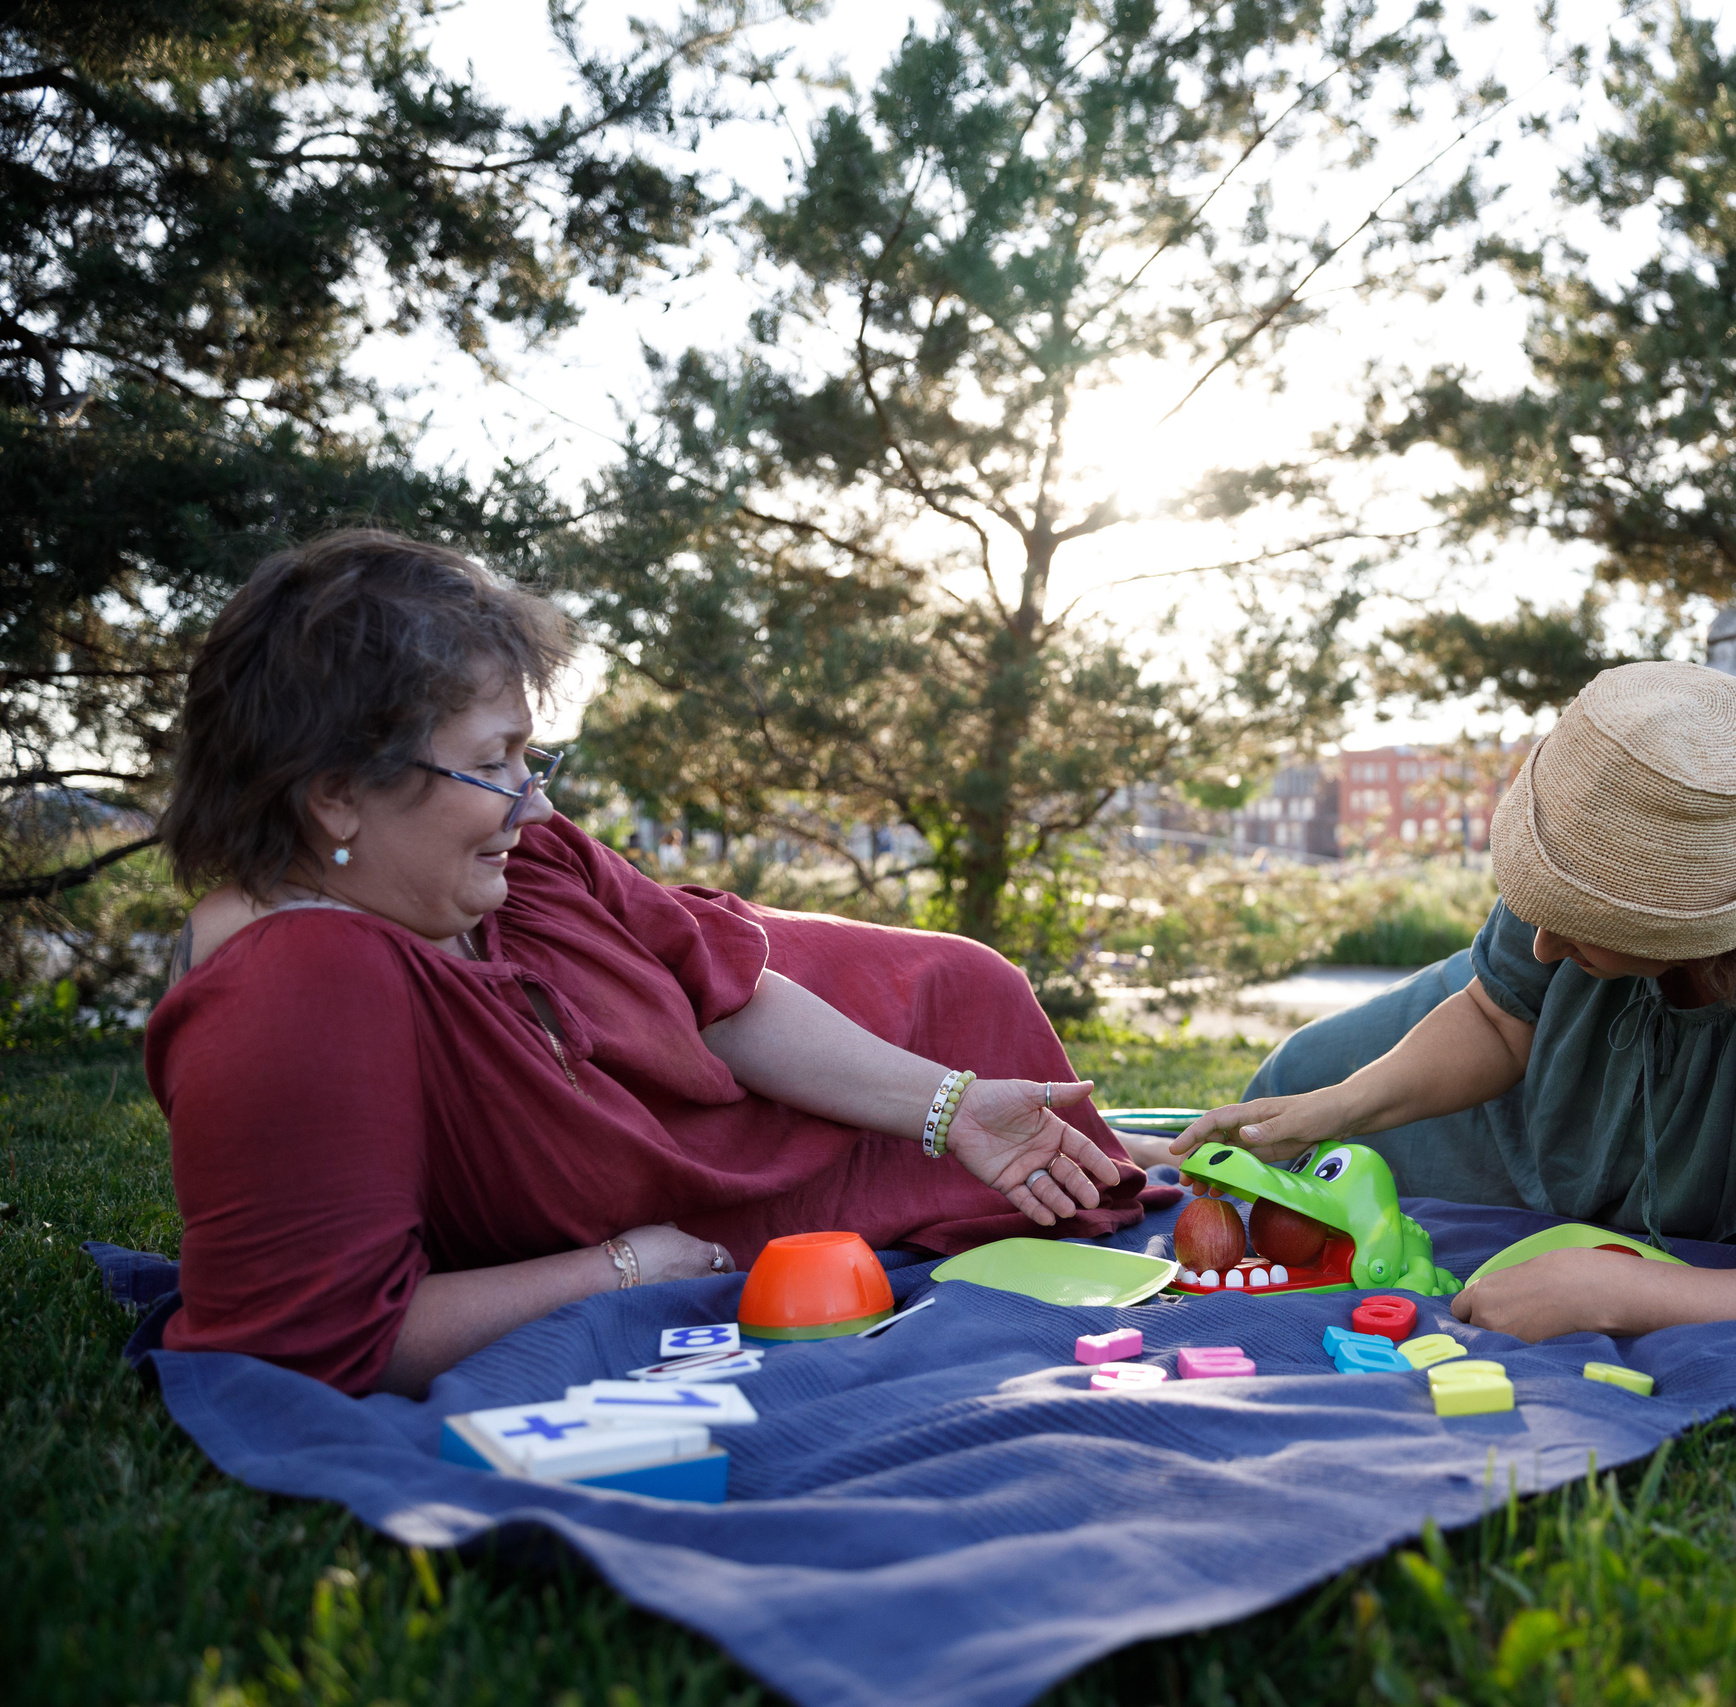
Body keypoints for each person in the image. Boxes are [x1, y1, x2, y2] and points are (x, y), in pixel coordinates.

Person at [148, 532, 1161, 1397]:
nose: (535, 802)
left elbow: (726, 996)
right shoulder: (293, 988)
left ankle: (1112, 1143)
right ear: (334, 794)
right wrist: (616, 1271)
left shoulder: (515, 860)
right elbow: (317, 1345)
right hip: (711, 1171)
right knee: (972, 1045)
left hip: (773, 1061)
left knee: (966, 984)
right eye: (494, 761)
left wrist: (950, 1107)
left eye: (531, 758)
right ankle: (1116, 1147)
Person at [1170, 662, 1736, 1340]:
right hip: (1524, 1079)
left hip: (1634, 1152)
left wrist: (1615, 1291)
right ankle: (1150, 1146)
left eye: (1581, 927)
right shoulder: (1612, 809)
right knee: (1291, 1080)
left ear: (1697, 925)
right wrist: (1334, 1108)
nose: (1540, 948)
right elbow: (1497, 1014)